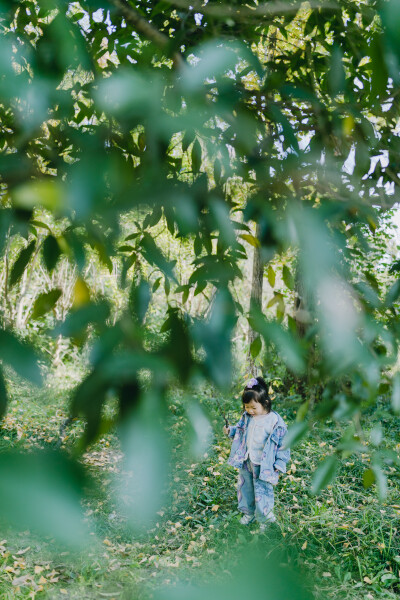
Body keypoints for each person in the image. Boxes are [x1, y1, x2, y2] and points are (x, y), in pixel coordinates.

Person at [223, 376, 290, 531]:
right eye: (246, 407)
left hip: (264, 464)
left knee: (262, 491)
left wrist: (279, 463)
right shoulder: (247, 417)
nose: (249, 411)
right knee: (245, 487)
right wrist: (230, 430)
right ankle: (249, 513)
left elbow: (284, 444)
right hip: (247, 460)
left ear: (265, 403)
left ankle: (265, 519)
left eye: (253, 407)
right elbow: (240, 430)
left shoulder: (274, 421)